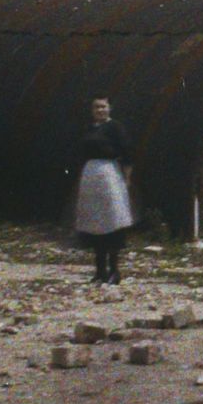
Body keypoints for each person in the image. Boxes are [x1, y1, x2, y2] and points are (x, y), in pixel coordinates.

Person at [73, 97, 136, 284]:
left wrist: (127, 178)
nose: (100, 110)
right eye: (96, 107)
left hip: (109, 173)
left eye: (103, 106)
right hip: (91, 175)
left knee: (112, 220)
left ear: (110, 108)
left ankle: (114, 270)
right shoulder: (89, 128)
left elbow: (127, 153)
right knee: (94, 221)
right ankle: (99, 270)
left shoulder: (115, 128)